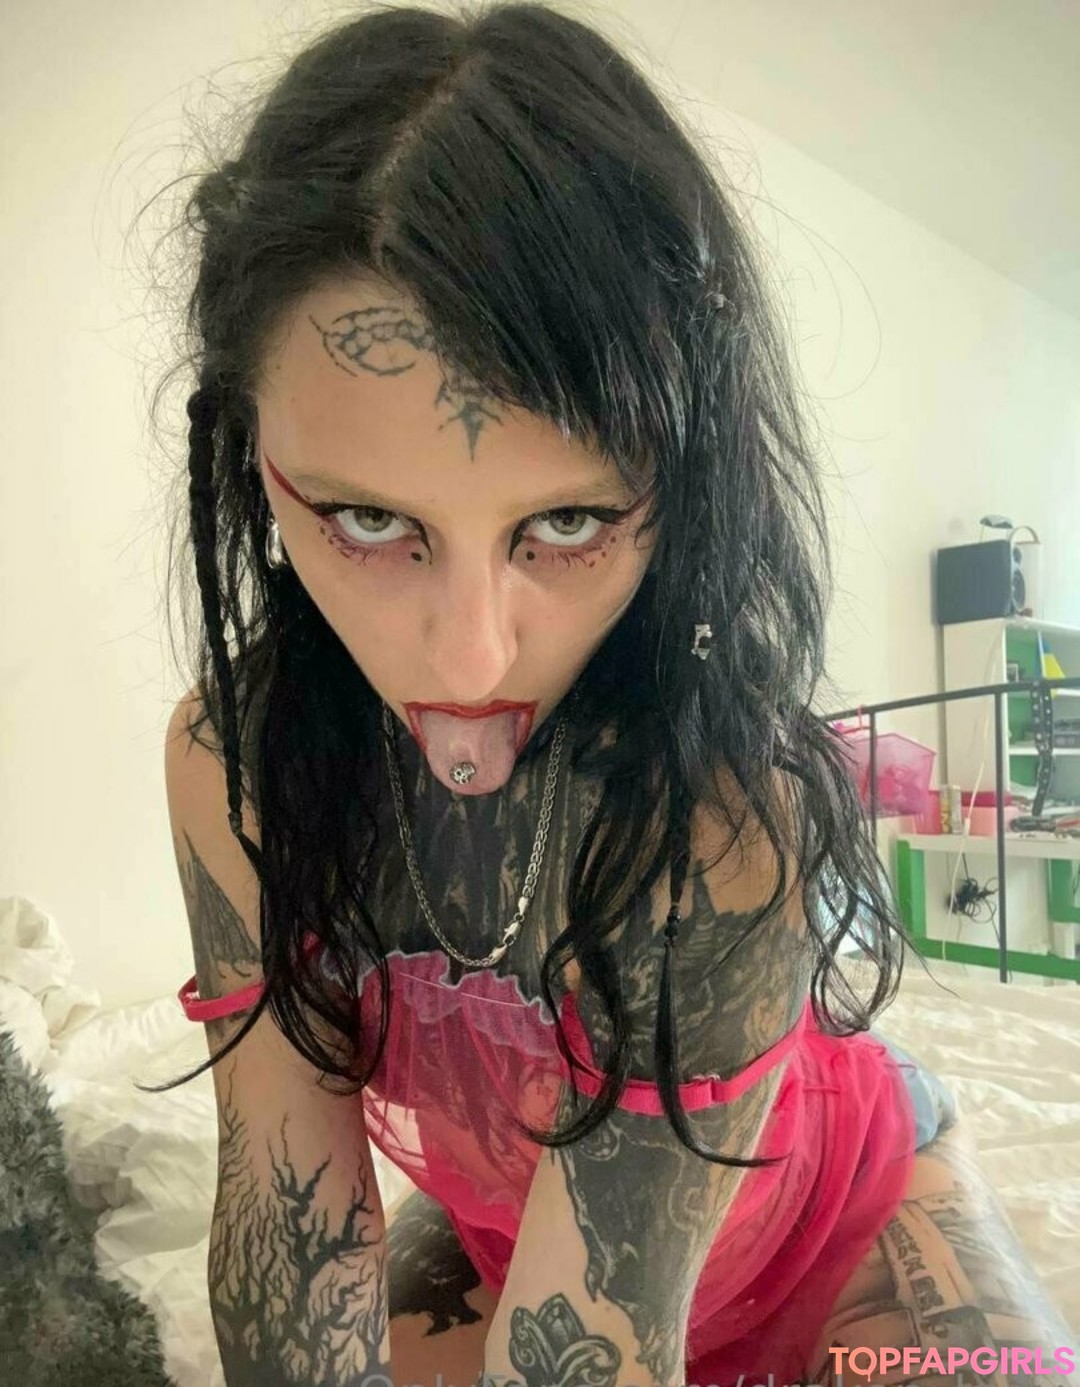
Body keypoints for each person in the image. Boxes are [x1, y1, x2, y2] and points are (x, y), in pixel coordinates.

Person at [157, 4, 1077, 1384]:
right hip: (507, 1224)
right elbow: (289, 1228)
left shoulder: (727, 820)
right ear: (247, 450)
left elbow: (605, 1324)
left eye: (569, 524)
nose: (470, 661)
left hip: (836, 1222)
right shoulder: (236, 770)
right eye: (367, 520)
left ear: (679, 494)